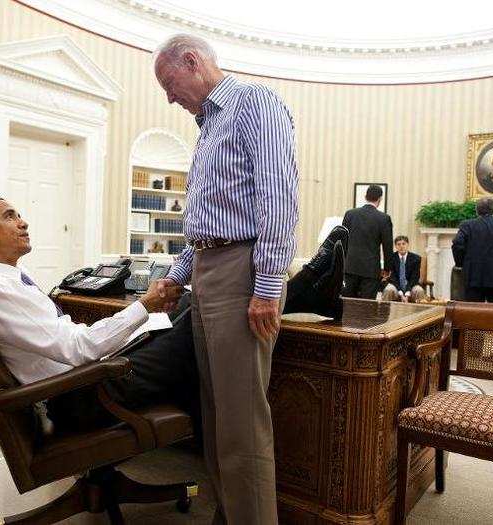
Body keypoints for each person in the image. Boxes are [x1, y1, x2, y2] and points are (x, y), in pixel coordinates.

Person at [153, 34, 304, 525]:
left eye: (169, 84)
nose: (169, 97)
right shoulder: (208, 125)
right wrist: (176, 277)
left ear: (192, 61)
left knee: (242, 422)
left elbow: (278, 198)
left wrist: (266, 287)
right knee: (215, 414)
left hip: (243, 272)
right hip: (208, 273)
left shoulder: (253, 103)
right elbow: (203, 224)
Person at [0, 197, 197, 431]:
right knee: (195, 318)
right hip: (78, 395)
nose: (23, 222)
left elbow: (67, 337)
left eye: (19, 215)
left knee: (184, 302)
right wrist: (145, 305)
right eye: (10, 217)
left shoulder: (8, 276)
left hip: (81, 379)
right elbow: (78, 348)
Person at [342, 185, 393, 299]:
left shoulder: (350, 214)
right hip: (370, 269)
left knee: (346, 304)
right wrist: (387, 269)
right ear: (380, 199)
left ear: (365, 196)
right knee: (367, 307)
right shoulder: (384, 218)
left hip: (349, 267)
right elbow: (387, 246)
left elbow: (342, 239)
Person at [381, 235, 425, 303]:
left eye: (403, 244)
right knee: (388, 290)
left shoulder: (416, 258)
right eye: (398, 244)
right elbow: (393, 277)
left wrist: (407, 292)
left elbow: (414, 277)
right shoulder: (391, 258)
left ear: (407, 244)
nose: (401, 246)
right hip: (395, 285)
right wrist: (400, 293)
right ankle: (383, 312)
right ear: (395, 246)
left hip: (411, 285)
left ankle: (422, 313)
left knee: (419, 291)